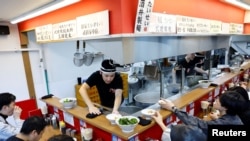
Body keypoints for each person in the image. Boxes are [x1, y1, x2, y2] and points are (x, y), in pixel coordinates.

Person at [158, 91, 248, 137]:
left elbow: (198, 123)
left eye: (219, 100)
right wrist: (217, 119)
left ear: (225, 108)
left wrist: (173, 108)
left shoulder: (222, 123)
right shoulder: (235, 117)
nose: (216, 100)